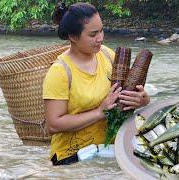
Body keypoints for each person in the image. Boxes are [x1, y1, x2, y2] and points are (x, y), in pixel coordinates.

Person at [43, 2, 150, 166]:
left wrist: (142, 99)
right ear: (73, 36)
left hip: (111, 152)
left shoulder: (107, 55)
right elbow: (54, 124)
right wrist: (99, 112)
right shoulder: (60, 72)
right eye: (93, 35)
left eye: (101, 31)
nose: (100, 38)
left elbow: (123, 98)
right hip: (73, 159)